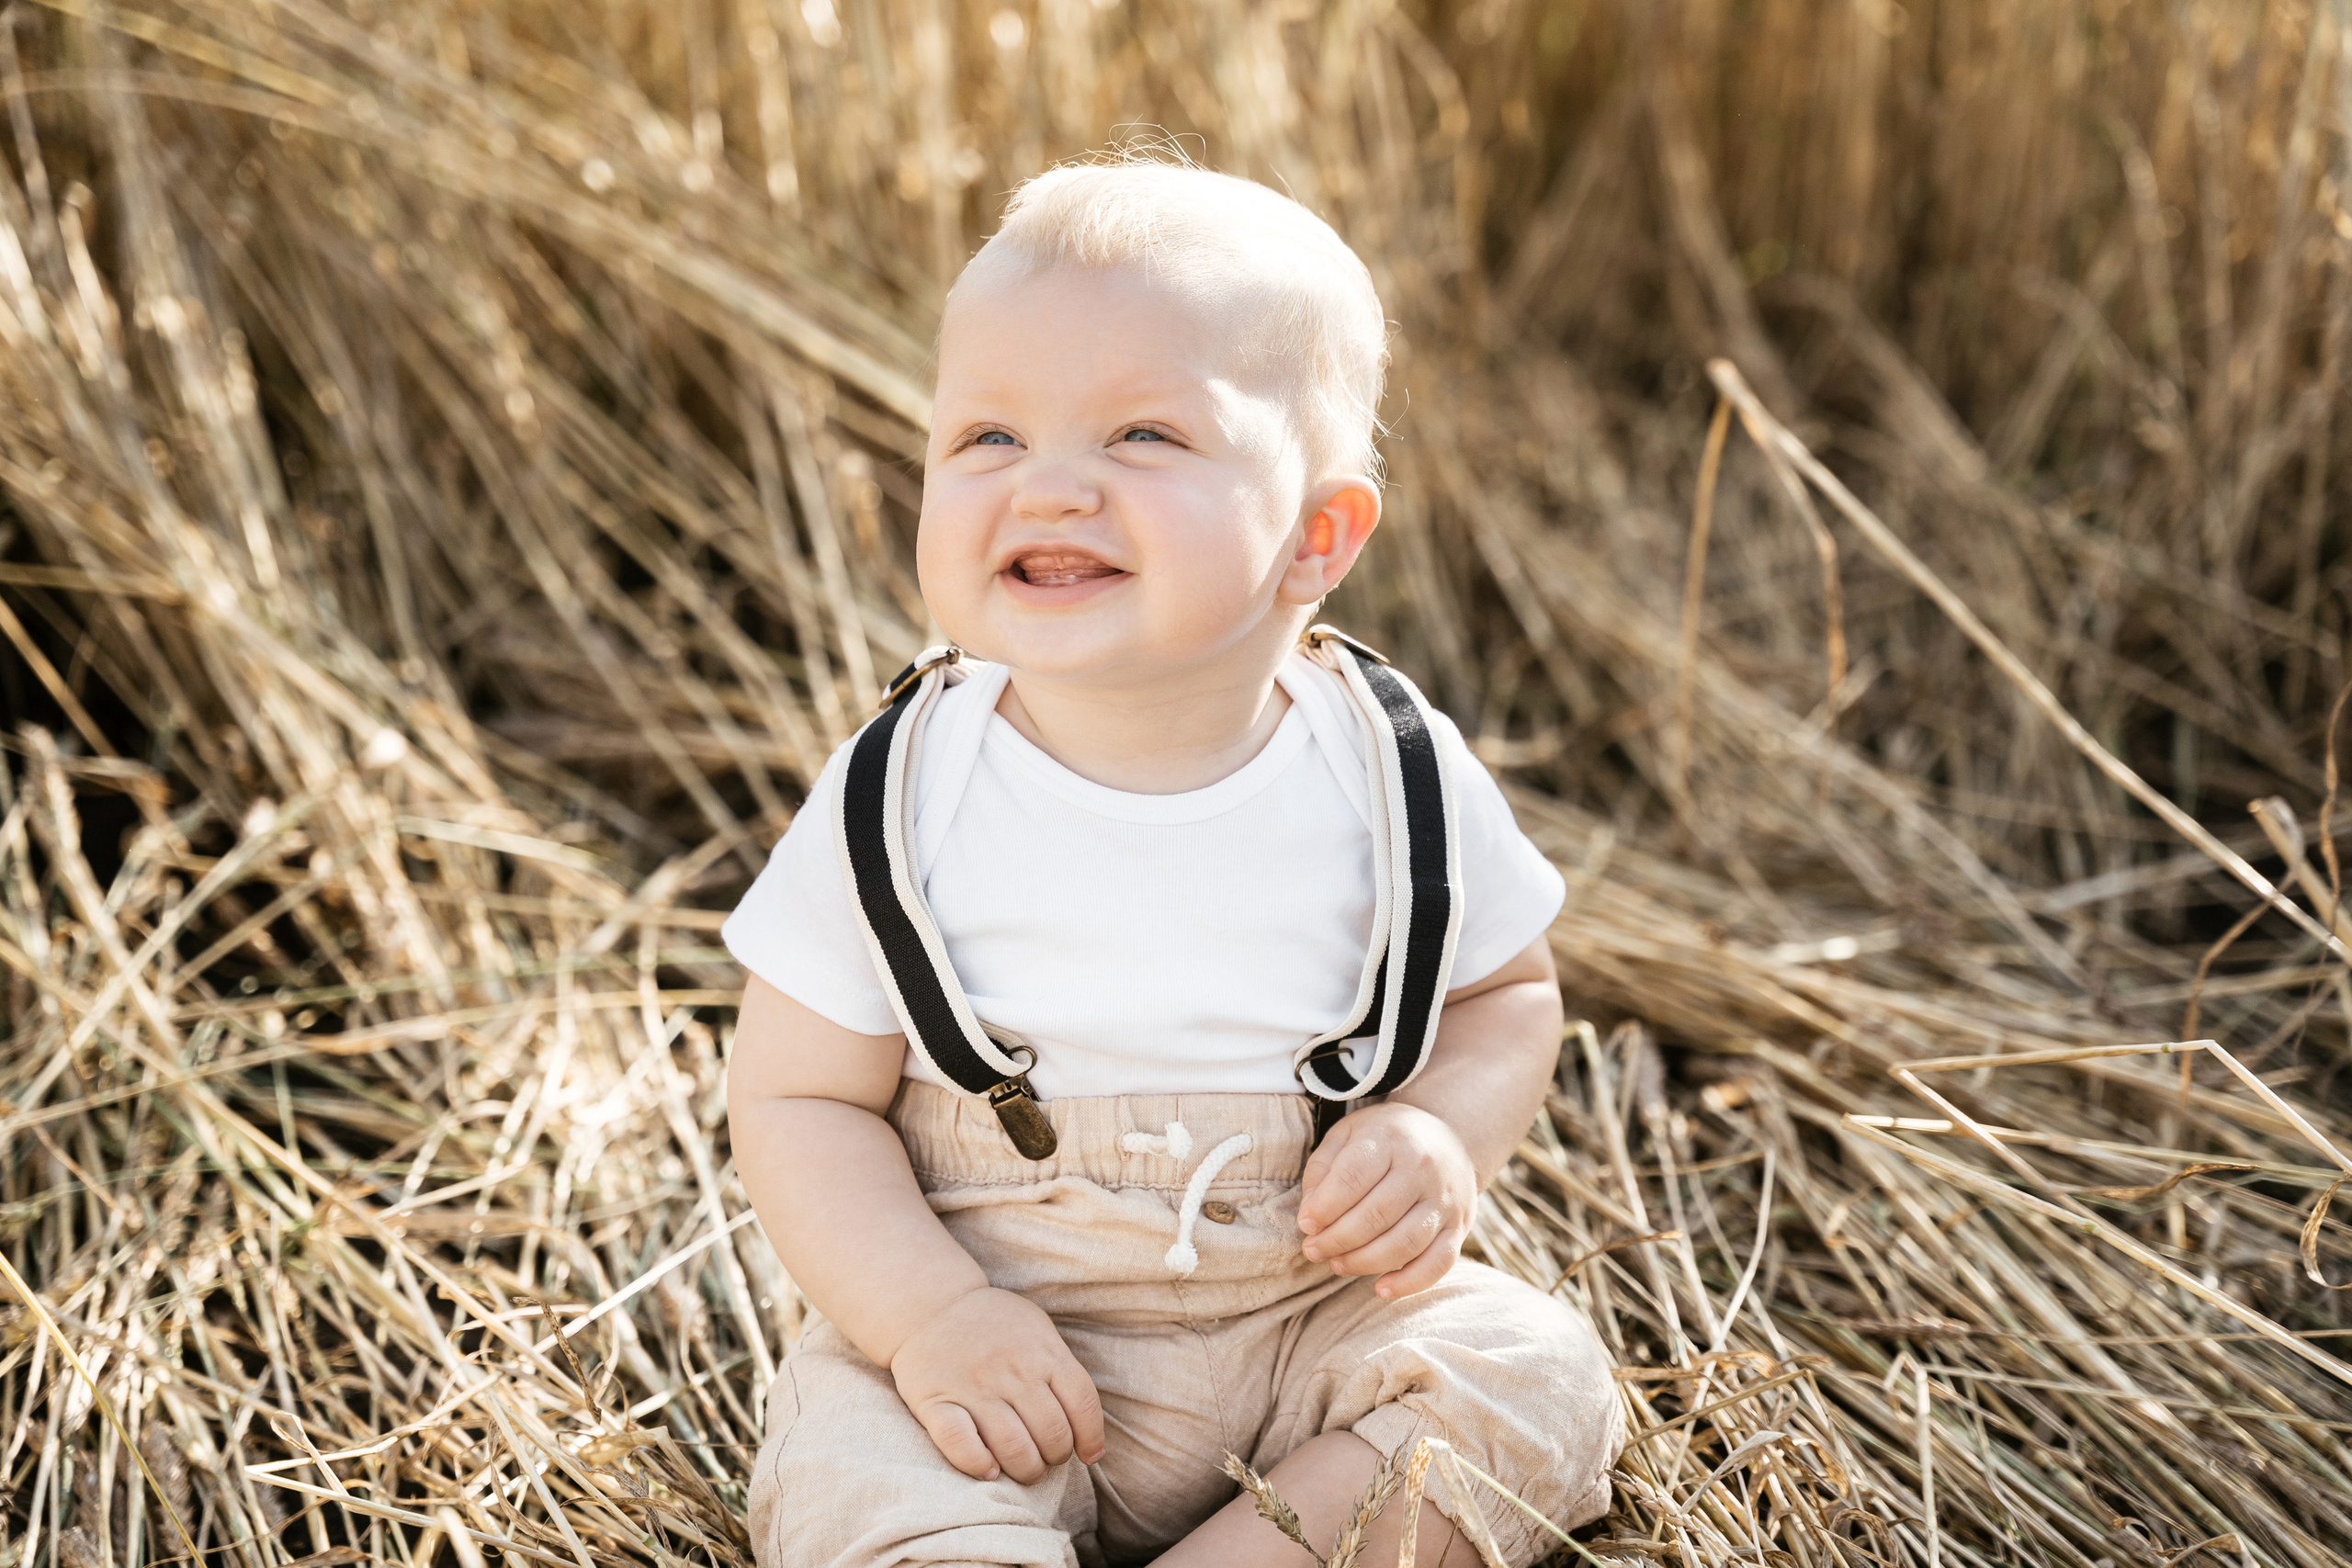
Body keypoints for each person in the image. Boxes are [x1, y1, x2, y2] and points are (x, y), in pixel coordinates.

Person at [723, 153, 1623, 1568]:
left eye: (1141, 435)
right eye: (988, 439)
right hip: (997, 1345)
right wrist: (930, 1322)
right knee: (853, 1452)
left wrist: (1441, 1127)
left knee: (1533, 1371)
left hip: (1310, 1319)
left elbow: (1507, 994)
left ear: (1315, 538)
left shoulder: (1392, 774)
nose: (1052, 488)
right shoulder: (902, 793)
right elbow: (794, 1097)